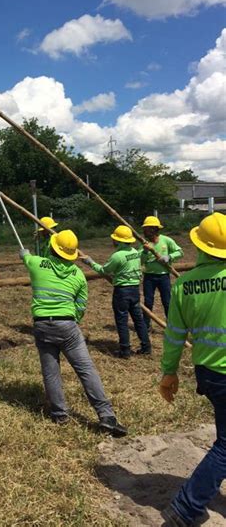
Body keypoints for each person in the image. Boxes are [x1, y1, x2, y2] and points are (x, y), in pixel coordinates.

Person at [20, 230, 127, 436]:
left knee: (51, 372)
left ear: (52, 248)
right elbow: (81, 305)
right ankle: (106, 416)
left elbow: (25, 257)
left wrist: (24, 253)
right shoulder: (78, 275)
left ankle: (60, 414)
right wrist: (72, 322)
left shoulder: (36, 264)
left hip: (42, 325)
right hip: (67, 326)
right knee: (86, 369)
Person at [159, 212, 226, 527]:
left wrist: (169, 372)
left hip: (209, 375)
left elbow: (174, 335)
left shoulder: (183, 285)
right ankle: (185, 509)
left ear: (199, 245)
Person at [82, 226, 151, 358]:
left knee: (121, 320)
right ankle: (146, 346)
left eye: (114, 239)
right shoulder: (135, 252)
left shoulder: (117, 256)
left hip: (122, 292)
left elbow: (104, 271)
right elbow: (141, 260)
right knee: (138, 320)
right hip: (135, 290)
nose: (112, 241)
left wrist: (90, 262)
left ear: (118, 241)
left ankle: (125, 350)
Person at [140, 216, 183, 331]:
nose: (144, 231)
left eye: (147, 229)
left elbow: (180, 252)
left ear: (154, 229)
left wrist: (169, 257)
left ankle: (171, 325)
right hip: (149, 276)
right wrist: (145, 251)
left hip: (164, 276)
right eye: (145, 229)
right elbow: (141, 260)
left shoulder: (166, 240)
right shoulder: (144, 244)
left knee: (167, 301)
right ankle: (146, 325)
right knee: (148, 301)